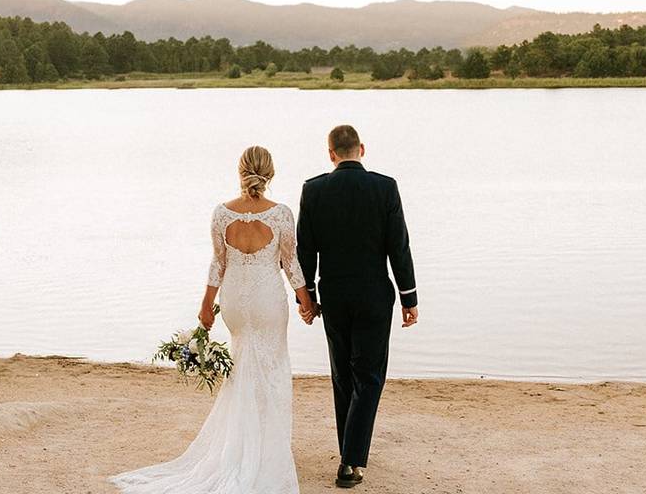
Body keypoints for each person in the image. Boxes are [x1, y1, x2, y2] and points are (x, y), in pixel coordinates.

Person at [109, 145, 317, 494]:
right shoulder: (280, 214)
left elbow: (218, 263)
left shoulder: (222, 213)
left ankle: (240, 445)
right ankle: (264, 448)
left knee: (242, 368)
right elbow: (290, 264)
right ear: (270, 174)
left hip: (234, 300)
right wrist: (306, 302)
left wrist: (206, 305)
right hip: (267, 300)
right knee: (272, 369)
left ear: (241, 172)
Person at [296, 124, 418, 489]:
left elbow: (305, 250)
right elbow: (399, 246)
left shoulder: (313, 190)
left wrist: (308, 299)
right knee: (369, 377)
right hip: (374, 297)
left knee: (343, 377)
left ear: (331, 153)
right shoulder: (385, 187)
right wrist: (409, 298)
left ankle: (350, 451)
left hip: (333, 297)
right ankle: (351, 461)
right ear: (361, 149)